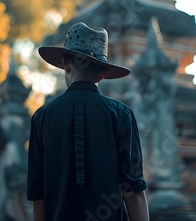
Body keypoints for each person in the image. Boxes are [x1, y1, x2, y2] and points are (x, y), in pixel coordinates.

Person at [27, 22, 149, 221]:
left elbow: (37, 193)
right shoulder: (121, 114)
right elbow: (133, 190)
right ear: (103, 73)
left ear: (66, 66)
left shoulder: (42, 117)